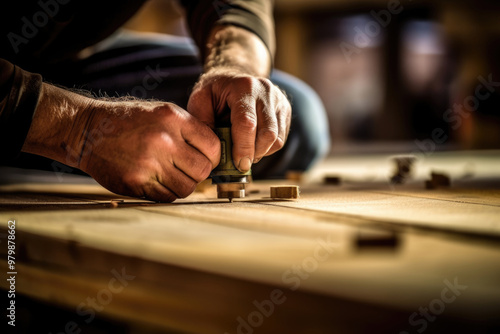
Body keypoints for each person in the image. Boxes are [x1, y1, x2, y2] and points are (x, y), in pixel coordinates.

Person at [0, 0, 329, 202]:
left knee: (292, 119)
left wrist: (234, 63)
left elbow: (236, 6)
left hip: (70, 54)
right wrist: (79, 130)